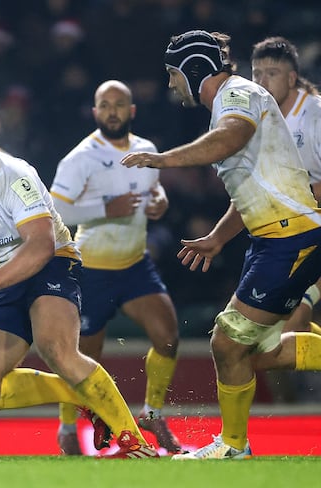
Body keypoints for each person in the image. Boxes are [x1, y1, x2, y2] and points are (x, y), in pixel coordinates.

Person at [0, 104, 159, 459]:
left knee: (55, 347)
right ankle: (81, 395)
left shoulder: (12, 173)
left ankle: (134, 443)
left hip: (51, 264)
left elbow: (41, 245)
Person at [121, 30, 321, 459]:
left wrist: (162, 158)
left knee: (227, 344)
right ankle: (234, 446)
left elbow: (232, 137)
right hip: (271, 238)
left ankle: (233, 447)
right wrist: (217, 237)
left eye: (175, 74)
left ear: (194, 71)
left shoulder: (236, 94)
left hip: (290, 236)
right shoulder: (230, 102)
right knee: (259, 351)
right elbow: (249, 187)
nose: (172, 84)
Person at [50, 80, 181, 455]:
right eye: (104, 105)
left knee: (168, 337)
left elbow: (154, 191)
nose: (112, 111)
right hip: (91, 269)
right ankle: (66, 426)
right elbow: (55, 210)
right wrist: (105, 209)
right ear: (94, 112)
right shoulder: (80, 158)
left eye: (119, 105)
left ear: (132, 111)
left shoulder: (148, 150)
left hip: (135, 264)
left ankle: (152, 413)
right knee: (82, 357)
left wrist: (161, 201)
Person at [250, 36, 321, 336]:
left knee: (286, 330)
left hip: (309, 236)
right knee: (267, 339)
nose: (262, 81)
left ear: (292, 78)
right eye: (257, 74)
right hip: (288, 237)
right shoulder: (259, 120)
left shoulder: (315, 117)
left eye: (272, 73)